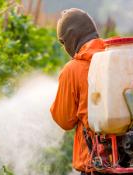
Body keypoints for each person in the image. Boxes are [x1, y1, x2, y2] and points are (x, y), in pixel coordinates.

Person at [50, 8, 105, 175]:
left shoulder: (73, 69)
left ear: (72, 36)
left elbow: (64, 120)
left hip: (96, 164)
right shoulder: (116, 56)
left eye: (63, 42)